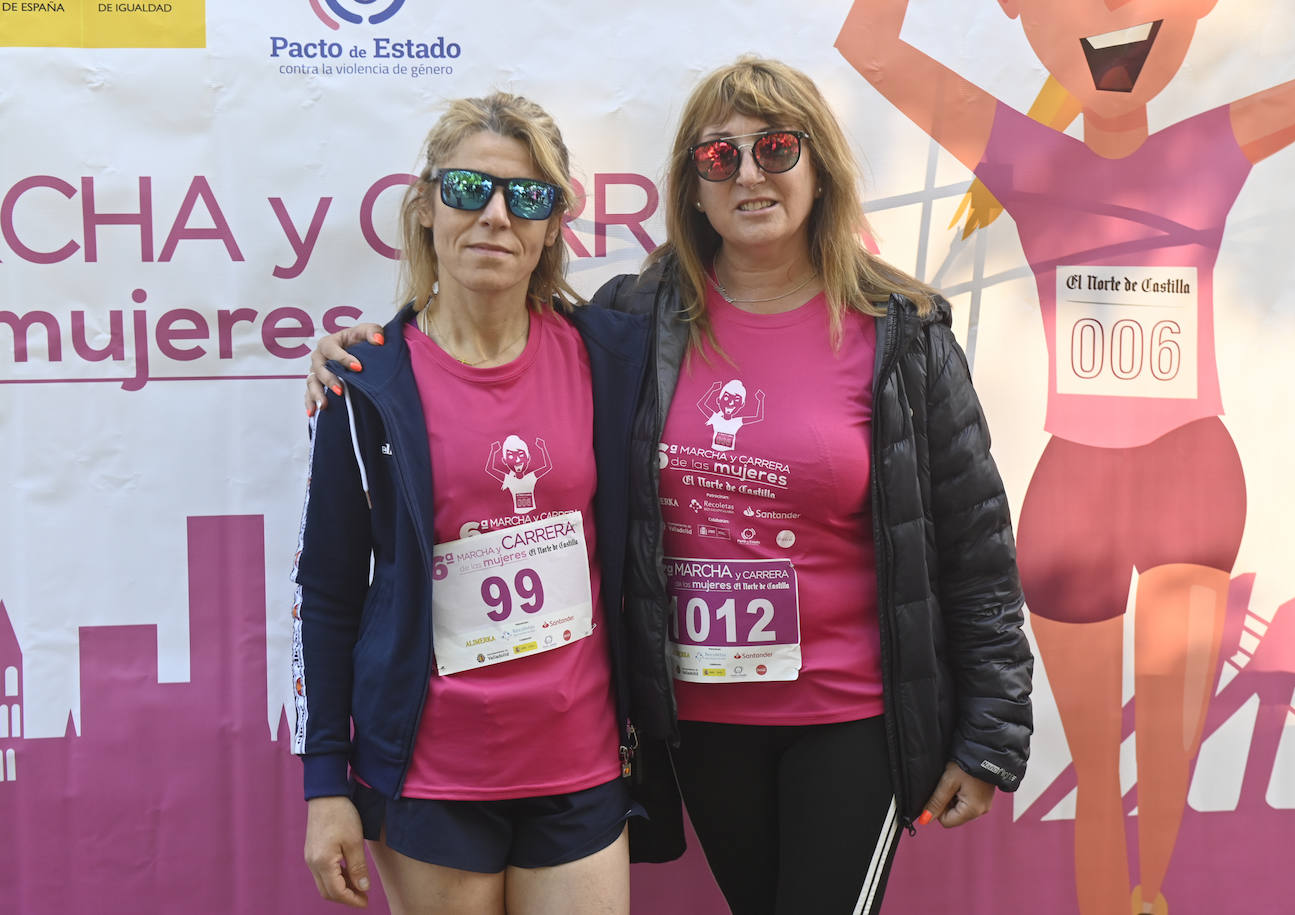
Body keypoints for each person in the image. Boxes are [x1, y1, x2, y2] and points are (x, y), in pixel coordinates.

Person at [307, 57, 1033, 915]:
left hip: (848, 715)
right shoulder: (634, 324)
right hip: (701, 720)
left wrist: (990, 733)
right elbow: (468, 358)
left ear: (820, 168)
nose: (749, 173)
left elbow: (974, 544)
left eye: (776, 148)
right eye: (719, 157)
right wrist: (359, 357)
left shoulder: (900, 335)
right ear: (691, 184)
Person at [836, 3, 1295, 912]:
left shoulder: (1212, 142)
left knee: (1166, 752)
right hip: (1073, 490)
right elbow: (869, 45)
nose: (1111, 14)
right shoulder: (1025, 155)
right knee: (1092, 765)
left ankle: (1149, 896)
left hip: (1190, 475)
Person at [290, 92, 651, 914]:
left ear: (553, 224)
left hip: (580, 764)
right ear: (424, 209)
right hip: (431, 774)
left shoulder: (612, 356)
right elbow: (330, 592)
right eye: (467, 190)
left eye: (527, 197)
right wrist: (324, 781)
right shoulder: (367, 384)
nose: (494, 216)